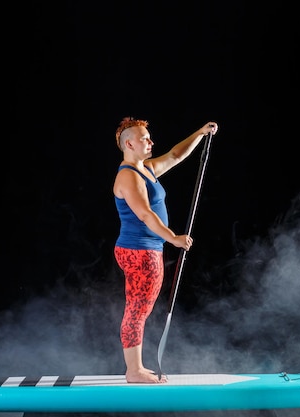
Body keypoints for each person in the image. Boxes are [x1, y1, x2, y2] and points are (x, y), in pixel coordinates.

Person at [112, 117, 218, 383]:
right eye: (144, 138)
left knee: (139, 309)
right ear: (129, 143)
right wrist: (175, 239)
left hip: (145, 250)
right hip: (140, 252)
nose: (151, 142)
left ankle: (135, 367)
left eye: (149, 137)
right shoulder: (128, 175)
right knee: (137, 310)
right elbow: (146, 215)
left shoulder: (145, 168)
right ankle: (133, 370)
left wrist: (200, 132)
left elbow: (174, 155)